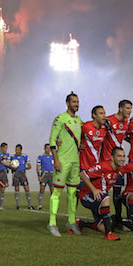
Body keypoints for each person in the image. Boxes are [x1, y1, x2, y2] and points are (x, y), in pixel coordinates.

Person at [47, 92, 83, 237]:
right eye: (74, 102)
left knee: (73, 193)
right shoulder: (60, 119)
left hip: (75, 162)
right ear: (67, 103)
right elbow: (52, 140)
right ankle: (52, 223)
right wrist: (56, 160)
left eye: (78, 102)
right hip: (62, 161)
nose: (77, 104)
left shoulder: (79, 120)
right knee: (56, 192)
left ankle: (71, 221)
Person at [77, 147, 126, 241]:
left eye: (123, 156)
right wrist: (94, 189)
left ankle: (81, 223)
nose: (122, 159)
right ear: (112, 157)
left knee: (103, 227)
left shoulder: (119, 169)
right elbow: (82, 174)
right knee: (106, 198)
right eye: (119, 156)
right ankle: (108, 235)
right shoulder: (102, 166)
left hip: (99, 199)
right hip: (87, 196)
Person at [103, 100, 132, 229]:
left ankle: (118, 220)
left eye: (130, 108)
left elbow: (123, 136)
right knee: (104, 192)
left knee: (117, 192)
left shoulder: (126, 122)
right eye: (127, 108)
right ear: (120, 109)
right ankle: (103, 219)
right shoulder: (108, 120)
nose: (129, 111)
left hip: (118, 162)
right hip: (107, 161)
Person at [11, 144, 34, 210]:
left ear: (21, 150)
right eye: (16, 150)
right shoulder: (12, 157)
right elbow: (9, 165)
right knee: (17, 189)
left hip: (22, 174)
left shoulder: (25, 156)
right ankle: (18, 206)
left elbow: (29, 166)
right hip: (15, 174)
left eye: (17, 150)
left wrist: (26, 168)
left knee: (27, 189)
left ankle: (30, 205)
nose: (16, 151)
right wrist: (13, 167)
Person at [36, 144, 54, 210]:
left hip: (52, 174)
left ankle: (53, 206)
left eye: (49, 148)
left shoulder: (53, 157)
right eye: (47, 148)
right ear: (44, 148)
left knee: (52, 191)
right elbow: (38, 167)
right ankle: (40, 205)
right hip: (44, 174)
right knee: (42, 190)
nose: (48, 150)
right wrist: (39, 175)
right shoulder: (40, 157)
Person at [0, 142, 11, 211]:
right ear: (2, 147)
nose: (6, 149)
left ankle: (0, 206)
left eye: (7, 148)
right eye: (5, 148)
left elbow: (8, 164)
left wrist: (0, 160)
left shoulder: (7, 155)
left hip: (4, 173)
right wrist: (2, 158)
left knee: (2, 190)